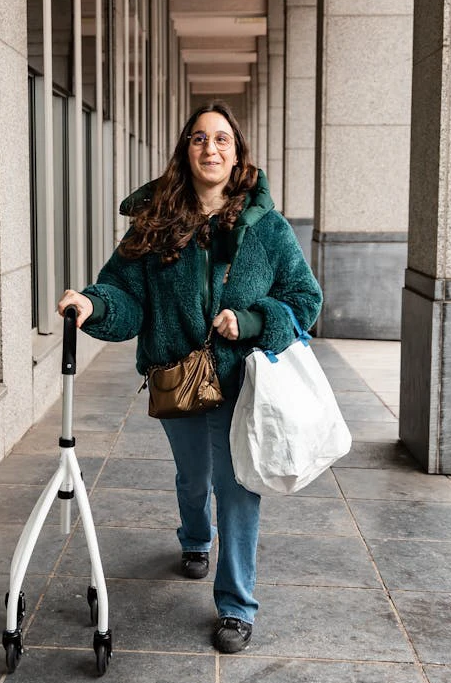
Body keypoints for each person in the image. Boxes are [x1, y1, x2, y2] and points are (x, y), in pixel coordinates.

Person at [57, 100, 322, 654]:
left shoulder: (267, 228)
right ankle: (196, 538)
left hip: (242, 381)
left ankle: (237, 606)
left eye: (222, 139)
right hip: (177, 375)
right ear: (186, 151)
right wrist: (93, 305)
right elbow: (124, 294)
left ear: (237, 153)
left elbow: (305, 298)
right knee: (194, 477)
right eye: (199, 138)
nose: (211, 149)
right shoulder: (155, 224)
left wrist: (252, 320)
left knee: (238, 488)